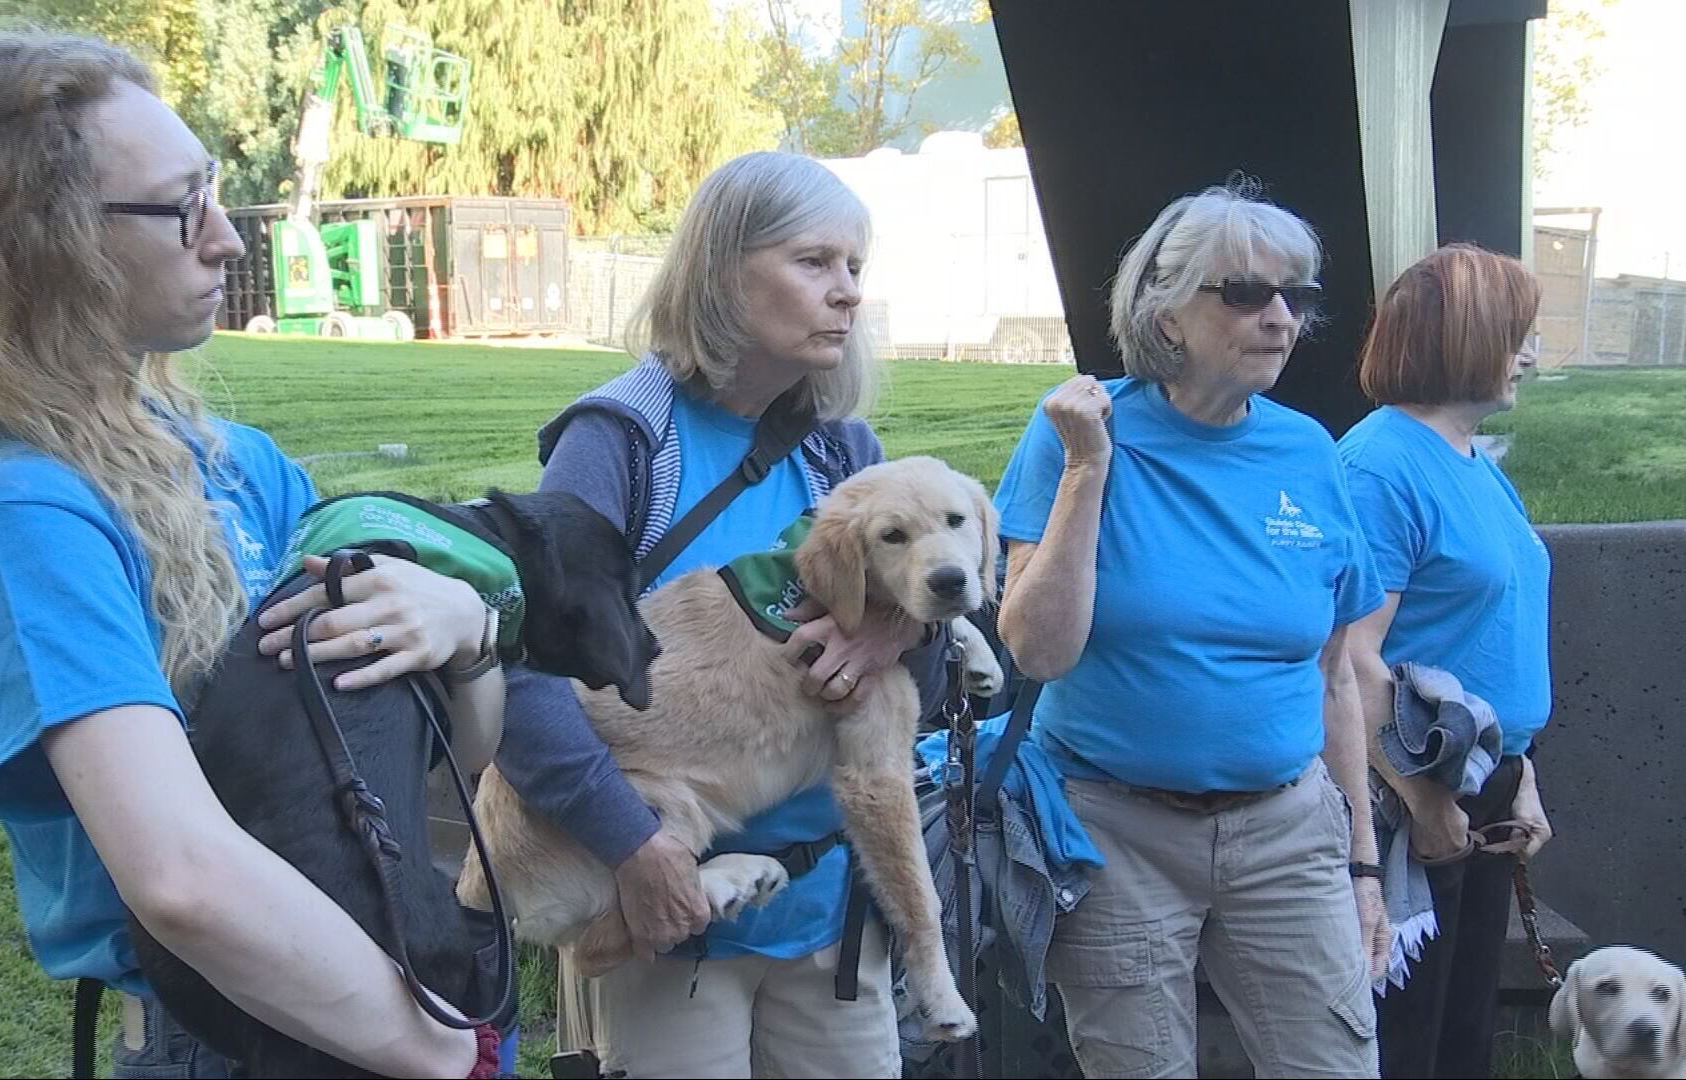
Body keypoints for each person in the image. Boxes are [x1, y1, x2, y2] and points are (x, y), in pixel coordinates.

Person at [0, 29, 504, 1079]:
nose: (227, 241)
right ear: (45, 239)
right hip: (246, 1039)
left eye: (210, 193)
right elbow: (179, 877)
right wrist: (439, 1053)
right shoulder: (19, 507)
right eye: (181, 209)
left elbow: (451, 774)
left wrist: (469, 634)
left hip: (388, 989)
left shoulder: (240, 467)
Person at [492, 150, 949, 1078]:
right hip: (667, 920)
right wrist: (634, 846)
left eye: (855, 267)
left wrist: (896, 629)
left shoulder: (843, 452)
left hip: (829, 911)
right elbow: (519, 676)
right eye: (814, 263)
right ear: (720, 270)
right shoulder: (620, 442)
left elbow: (919, 696)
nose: (849, 293)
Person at [993, 181, 1393, 1078]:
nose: (1281, 318)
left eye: (1297, 297)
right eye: (1246, 293)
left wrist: (1363, 867)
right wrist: (1088, 471)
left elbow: (1335, 676)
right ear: (1166, 316)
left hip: (1287, 829)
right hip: (1114, 829)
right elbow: (1037, 652)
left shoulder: (1308, 452)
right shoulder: (1077, 434)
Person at [1339, 243, 1554, 1079]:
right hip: (1410, 796)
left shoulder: (1471, 461)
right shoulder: (1381, 466)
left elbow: (1496, 633)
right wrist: (1423, 799)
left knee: (1464, 1037)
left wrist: (1522, 770)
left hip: (1485, 781)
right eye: (1516, 334)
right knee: (1406, 1043)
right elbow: (1351, 658)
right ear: (1459, 338)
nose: (1531, 355)